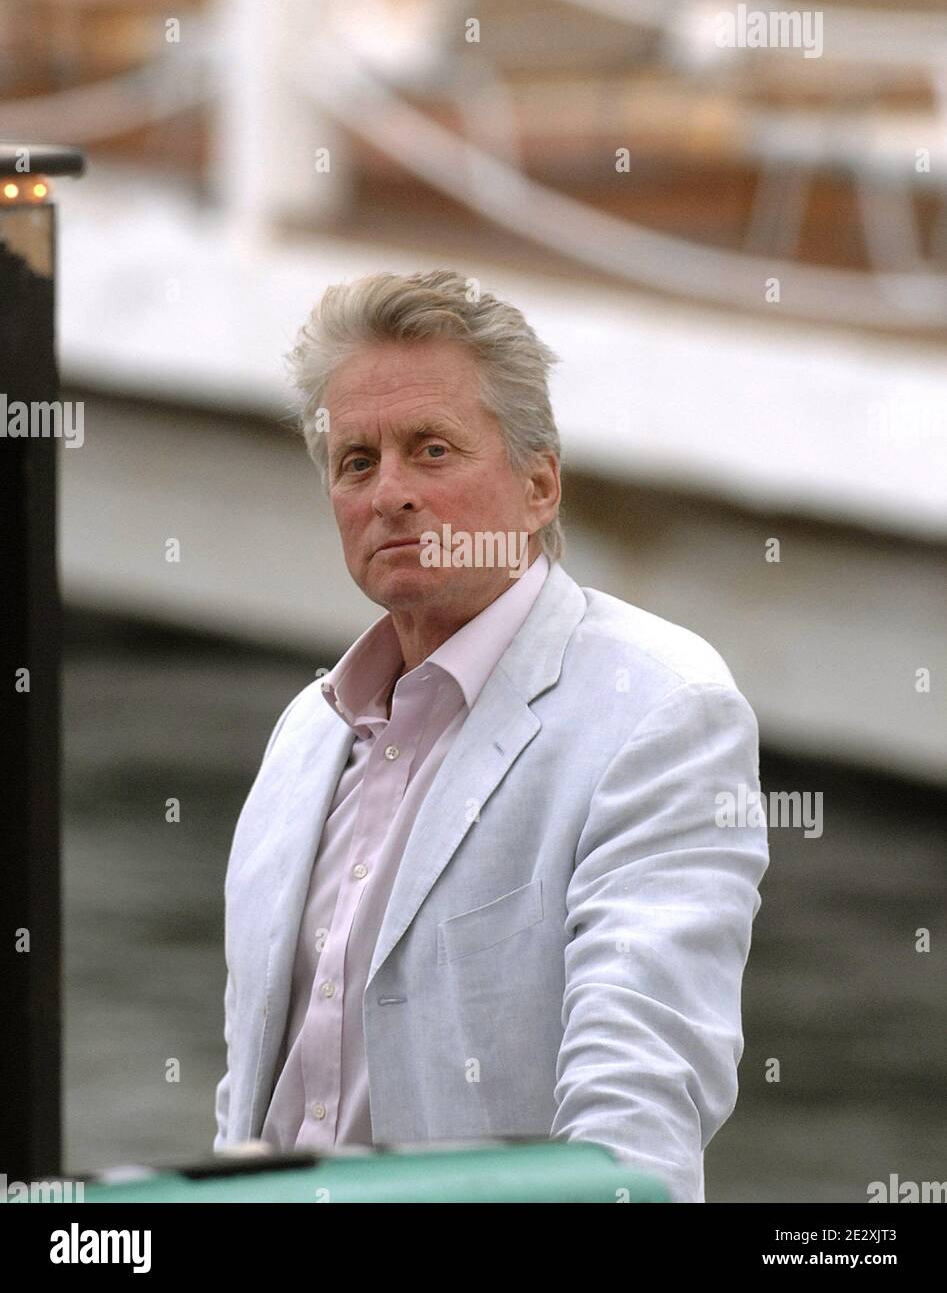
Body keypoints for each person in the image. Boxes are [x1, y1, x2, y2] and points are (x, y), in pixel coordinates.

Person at [212, 268, 769, 1202]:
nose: (389, 492)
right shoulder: (305, 736)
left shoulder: (660, 710)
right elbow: (250, 1096)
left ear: (539, 482)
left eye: (431, 450)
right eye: (356, 461)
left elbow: (639, 1100)